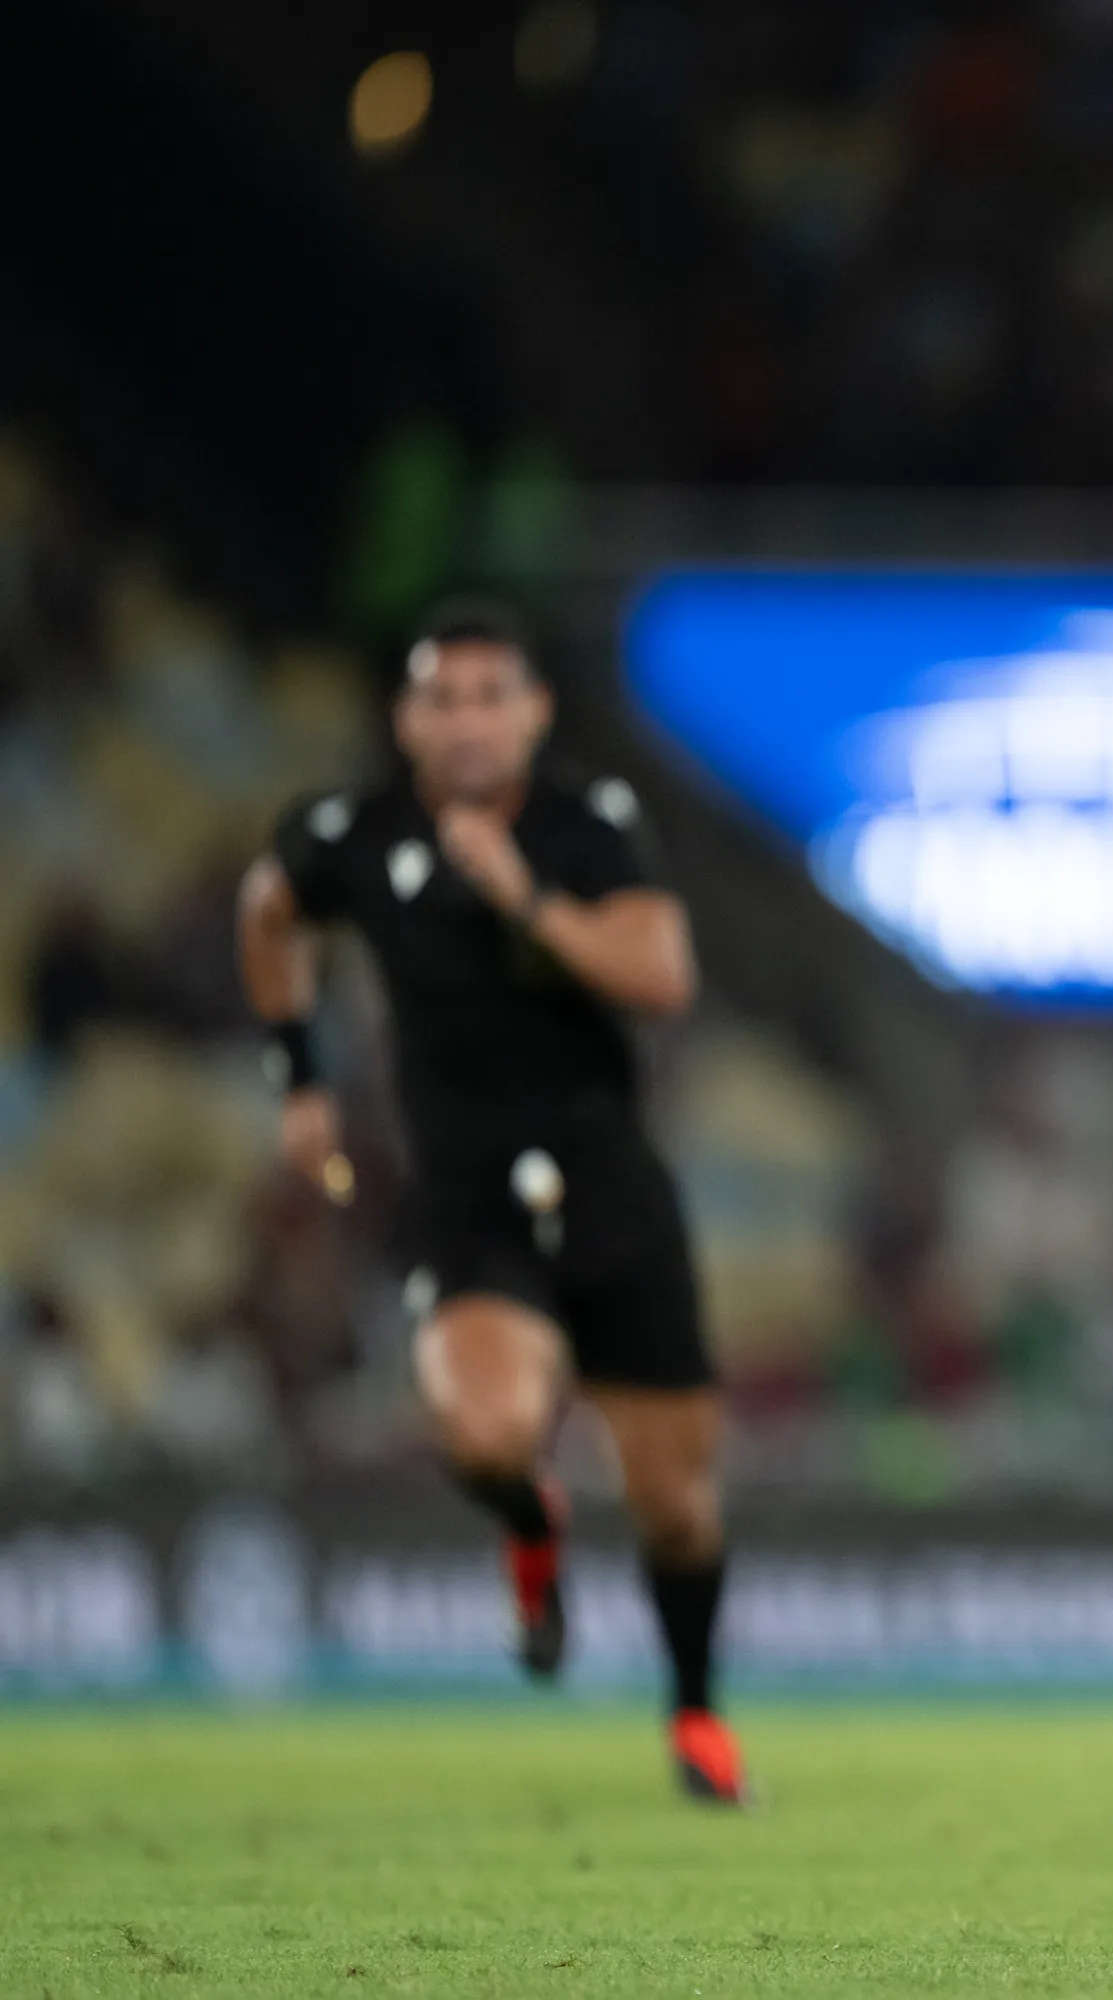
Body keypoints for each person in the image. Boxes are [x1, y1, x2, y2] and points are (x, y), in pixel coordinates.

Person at [236, 601, 748, 1805]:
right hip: (467, 1197)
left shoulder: (587, 826)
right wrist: (298, 1075)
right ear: (407, 719)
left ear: (534, 712)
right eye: (442, 698)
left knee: (678, 1503)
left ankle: (695, 1713)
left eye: (489, 696)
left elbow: (663, 974)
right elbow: (268, 910)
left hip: (612, 1192)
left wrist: (527, 900)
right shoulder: (354, 832)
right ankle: (531, 1519)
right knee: (483, 1434)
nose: (467, 720)